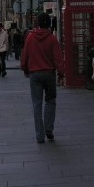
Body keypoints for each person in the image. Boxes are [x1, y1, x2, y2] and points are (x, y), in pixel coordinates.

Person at [20, 13, 65, 143]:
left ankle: (39, 135)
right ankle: (49, 128)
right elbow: (58, 58)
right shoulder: (52, 38)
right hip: (49, 73)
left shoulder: (30, 37)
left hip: (34, 74)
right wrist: (61, 74)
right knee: (50, 100)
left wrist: (25, 68)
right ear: (49, 23)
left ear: (38, 23)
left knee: (37, 104)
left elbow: (25, 55)